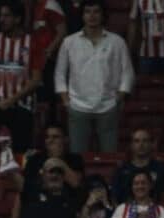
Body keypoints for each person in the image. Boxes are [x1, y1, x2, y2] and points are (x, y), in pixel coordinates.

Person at [54, 0, 134, 153]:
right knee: (78, 156)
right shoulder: (69, 42)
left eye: (96, 11)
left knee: (109, 155)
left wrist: (120, 96)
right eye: (88, 12)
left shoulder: (117, 42)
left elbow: (128, 72)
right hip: (77, 106)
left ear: (103, 15)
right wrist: (66, 101)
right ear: (82, 15)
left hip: (108, 106)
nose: (92, 16)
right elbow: (59, 73)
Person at [0, 0, 43, 153]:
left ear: (18, 19)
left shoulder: (33, 42)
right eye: (1, 15)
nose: (1, 19)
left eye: (7, 16)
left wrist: (11, 100)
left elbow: (36, 80)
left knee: (20, 153)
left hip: (23, 108)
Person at [110, 128, 164, 207]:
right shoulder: (121, 170)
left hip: (156, 215)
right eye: (137, 141)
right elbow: (114, 198)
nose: (141, 145)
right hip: (127, 215)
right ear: (131, 145)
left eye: (145, 141)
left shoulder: (163, 168)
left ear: (151, 144)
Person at [19, 123, 83, 204]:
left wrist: (57, 160)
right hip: (39, 205)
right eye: (47, 137)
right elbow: (24, 190)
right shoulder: (34, 160)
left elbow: (76, 183)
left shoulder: (75, 159)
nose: (50, 140)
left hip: (66, 206)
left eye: (55, 137)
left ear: (66, 140)